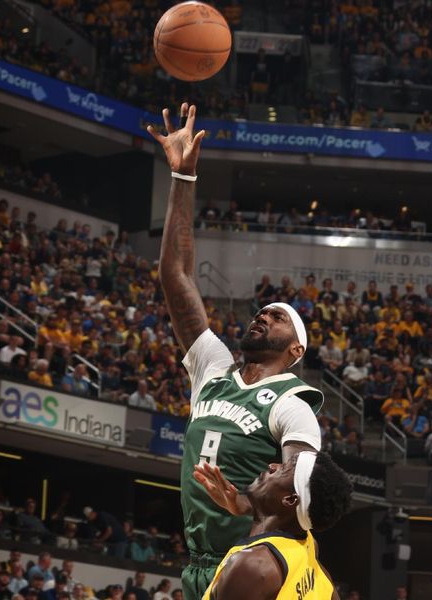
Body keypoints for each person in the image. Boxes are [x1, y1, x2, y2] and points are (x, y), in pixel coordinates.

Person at [148, 104, 324, 600]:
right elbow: (176, 275)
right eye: (262, 310)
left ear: (295, 350)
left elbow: (302, 492)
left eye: (278, 315)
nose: (263, 314)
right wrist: (183, 175)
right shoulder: (214, 366)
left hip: (256, 571)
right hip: (200, 566)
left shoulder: (293, 403)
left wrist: (247, 507)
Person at [194, 451, 352, 600]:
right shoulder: (307, 545)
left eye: (283, 469)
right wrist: (242, 505)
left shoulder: (253, 566)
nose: (272, 466)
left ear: (290, 499)